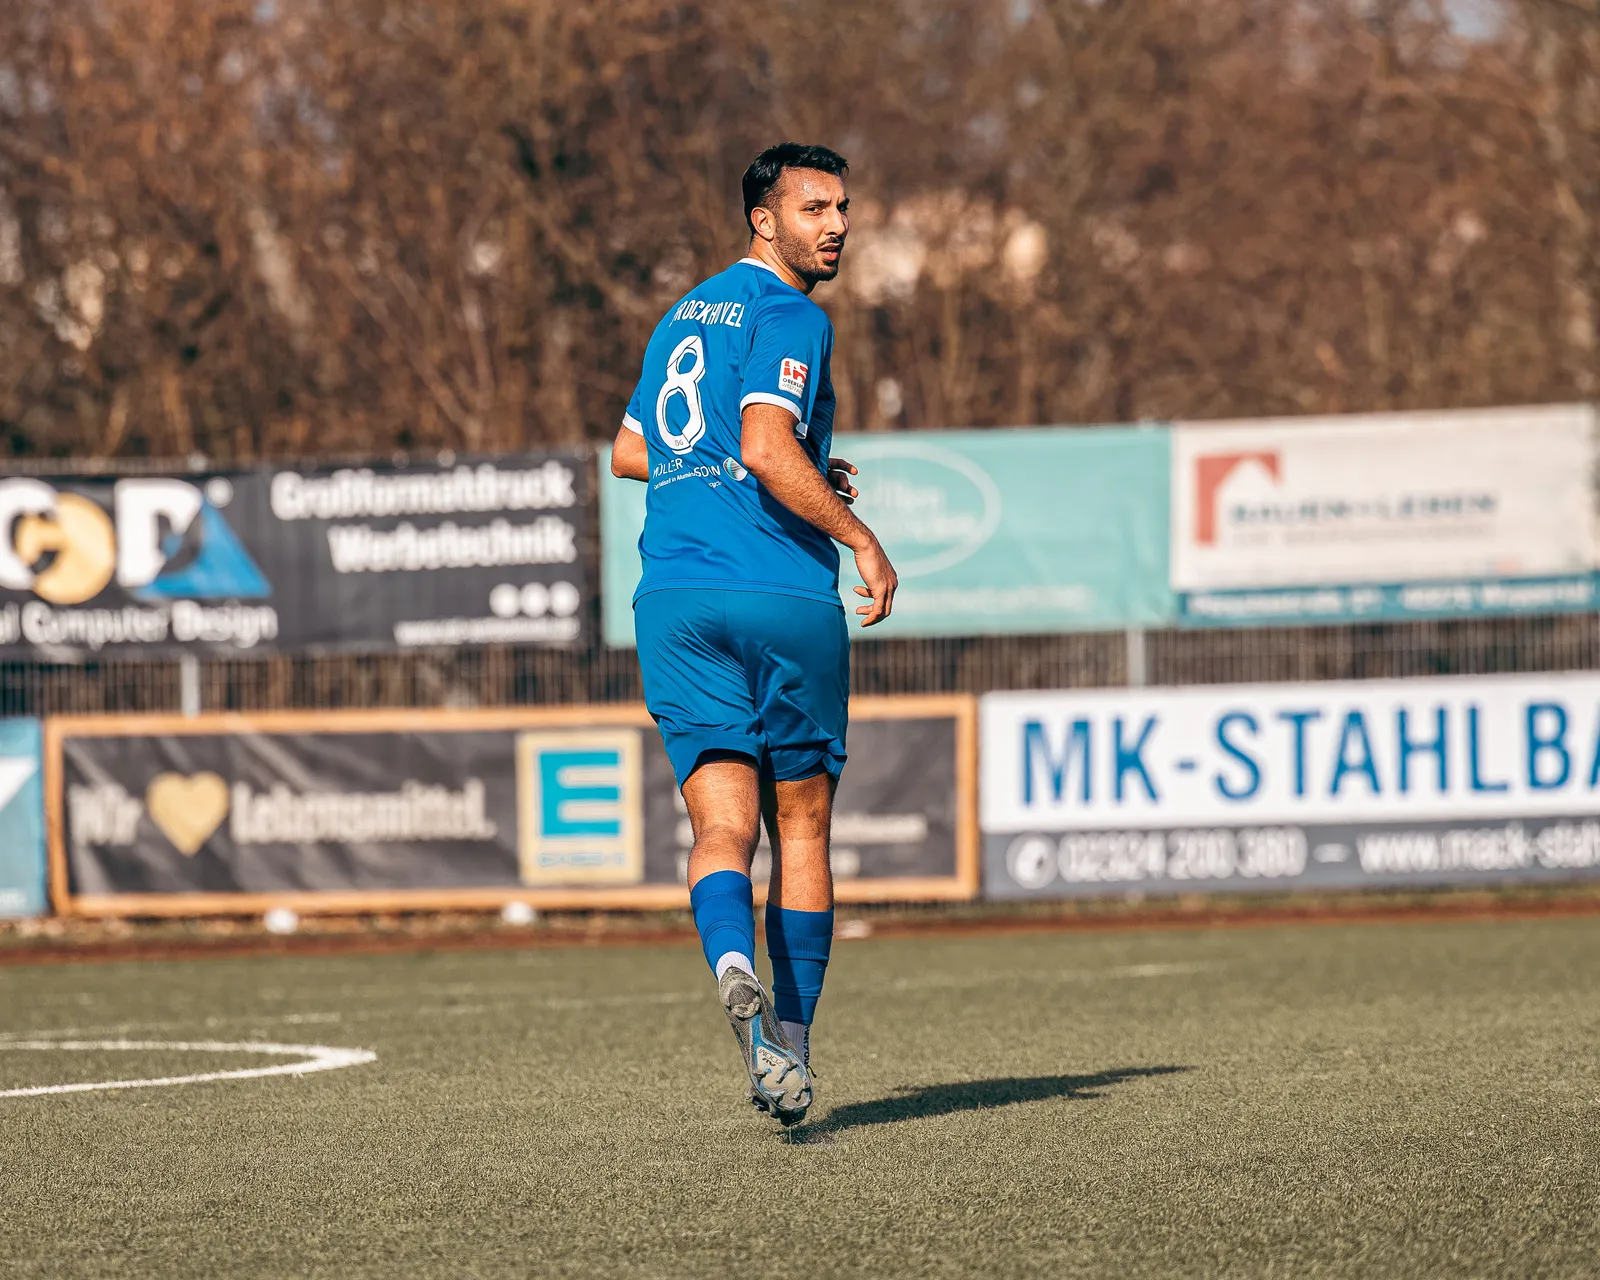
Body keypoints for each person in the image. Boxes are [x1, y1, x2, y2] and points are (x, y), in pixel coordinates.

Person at [609, 142, 898, 1126]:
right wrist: (856, 534)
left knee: (719, 828)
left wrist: (789, 468)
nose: (837, 225)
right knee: (801, 826)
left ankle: (733, 969)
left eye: (843, 208)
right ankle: (796, 1046)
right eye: (815, 208)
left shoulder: (679, 316)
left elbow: (633, 451)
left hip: (673, 600)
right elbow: (767, 446)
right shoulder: (792, 314)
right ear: (763, 221)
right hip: (776, 593)